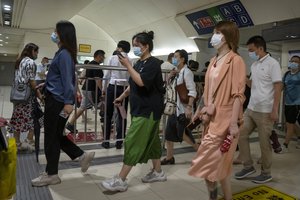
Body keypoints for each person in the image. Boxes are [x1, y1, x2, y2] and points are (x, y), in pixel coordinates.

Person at [31, 20, 95, 187]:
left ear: (62, 34)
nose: (53, 34)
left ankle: (52, 174)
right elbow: (59, 77)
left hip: (58, 102)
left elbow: (68, 81)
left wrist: (68, 103)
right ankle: (81, 156)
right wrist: (46, 84)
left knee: (51, 137)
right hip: (56, 98)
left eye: (55, 31)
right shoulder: (61, 52)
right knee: (56, 134)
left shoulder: (65, 54)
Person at [101, 31, 166, 192]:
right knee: (153, 143)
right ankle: (158, 172)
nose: (134, 48)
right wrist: (122, 96)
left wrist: (128, 66)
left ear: (146, 46)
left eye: (137, 45)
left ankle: (121, 180)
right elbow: (133, 83)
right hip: (139, 109)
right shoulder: (138, 63)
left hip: (148, 110)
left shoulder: (153, 64)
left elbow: (142, 82)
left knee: (132, 141)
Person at [188, 21, 246, 200]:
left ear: (227, 37)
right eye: (215, 32)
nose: (215, 36)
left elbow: (238, 95)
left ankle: (213, 196)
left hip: (225, 120)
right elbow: (208, 91)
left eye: (218, 32)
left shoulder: (235, 60)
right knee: (221, 165)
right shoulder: (213, 60)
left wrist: (233, 123)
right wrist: (200, 108)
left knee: (209, 164)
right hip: (210, 118)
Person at [234, 35, 282, 184]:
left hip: (265, 111)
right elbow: (253, 85)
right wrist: (242, 77)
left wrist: (275, 110)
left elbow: (278, 87)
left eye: (252, 50)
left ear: (260, 48)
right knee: (241, 134)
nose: (250, 53)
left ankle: (266, 173)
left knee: (264, 143)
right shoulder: (254, 65)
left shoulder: (272, 64)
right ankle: (248, 166)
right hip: (251, 108)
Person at [161, 49, 198, 165]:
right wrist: (170, 77)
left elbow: (192, 91)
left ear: (182, 59)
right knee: (168, 135)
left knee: (182, 133)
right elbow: (169, 88)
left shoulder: (187, 72)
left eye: (176, 57)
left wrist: (189, 107)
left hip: (182, 109)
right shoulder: (177, 72)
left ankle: (200, 150)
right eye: (174, 57)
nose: (174, 59)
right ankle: (169, 158)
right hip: (174, 109)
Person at [9, 43, 43, 151]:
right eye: (36, 52)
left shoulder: (19, 61)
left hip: (17, 95)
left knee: (17, 118)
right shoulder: (31, 62)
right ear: (32, 51)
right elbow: (31, 81)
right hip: (27, 96)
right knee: (37, 118)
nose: (37, 54)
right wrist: (39, 95)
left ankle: (17, 143)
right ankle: (29, 141)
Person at [66, 50, 105, 132]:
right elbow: (97, 80)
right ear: (99, 56)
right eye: (103, 56)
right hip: (91, 90)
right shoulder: (95, 65)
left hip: (86, 89)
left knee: (82, 108)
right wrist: (102, 91)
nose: (104, 58)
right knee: (102, 105)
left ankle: (70, 124)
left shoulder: (90, 64)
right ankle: (105, 124)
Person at [101, 40, 131, 149]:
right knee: (122, 115)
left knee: (108, 114)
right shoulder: (130, 60)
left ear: (120, 48)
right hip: (124, 89)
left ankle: (106, 141)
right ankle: (120, 141)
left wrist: (104, 89)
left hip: (113, 87)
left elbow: (107, 75)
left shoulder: (112, 58)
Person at [282, 55, 300, 151]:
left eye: (296, 61)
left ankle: (285, 144)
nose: (293, 63)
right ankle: (299, 138)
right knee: (292, 123)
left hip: (297, 103)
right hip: (287, 103)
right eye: (292, 61)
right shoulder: (286, 74)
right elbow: (281, 87)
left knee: (290, 124)